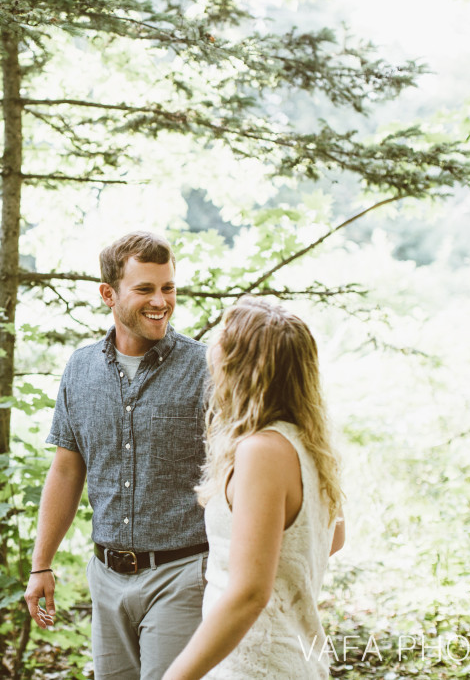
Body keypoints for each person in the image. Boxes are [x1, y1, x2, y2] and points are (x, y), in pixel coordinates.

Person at [23, 231, 210, 679]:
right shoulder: (80, 369)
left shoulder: (206, 368)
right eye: (145, 289)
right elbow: (67, 470)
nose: (161, 301)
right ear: (108, 294)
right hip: (105, 578)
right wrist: (40, 564)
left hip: (184, 574)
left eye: (168, 287)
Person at [162, 296, 347, 680]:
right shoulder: (307, 443)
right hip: (291, 658)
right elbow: (332, 537)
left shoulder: (262, 451)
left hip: (256, 666)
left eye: (221, 343)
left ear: (240, 366)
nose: (211, 353)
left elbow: (249, 593)